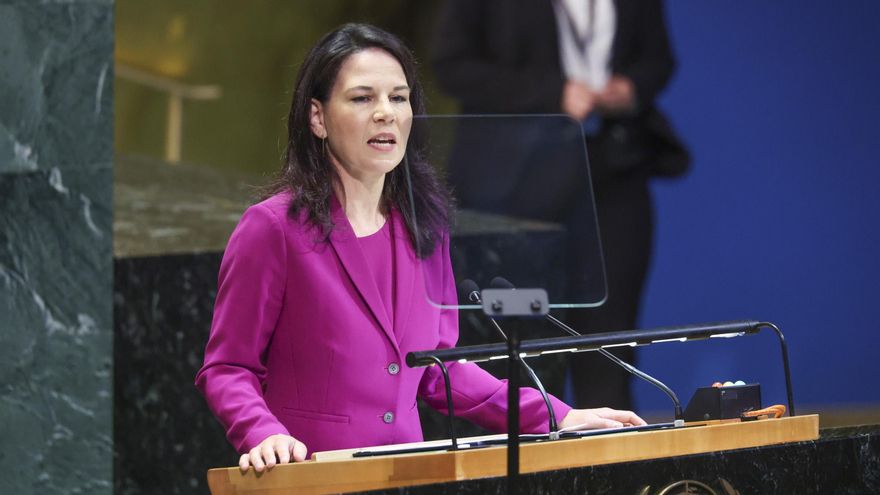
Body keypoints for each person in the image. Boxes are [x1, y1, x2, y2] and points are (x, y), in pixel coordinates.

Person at [195, 23, 645, 473]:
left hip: (410, 476)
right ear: (317, 117)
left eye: (398, 97)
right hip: (313, 473)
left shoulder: (424, 226)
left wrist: (557, 415)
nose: (386, 113)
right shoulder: (274, 228)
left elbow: (439, 368)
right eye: (362, 98)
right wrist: (263, 432)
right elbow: (228, 367)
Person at [431, 0, 688, 411]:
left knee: (610, 341)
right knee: (514, 341)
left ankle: (607, 467)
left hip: (612, 167)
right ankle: (520, 462)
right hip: (516, 182)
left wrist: (631, 88)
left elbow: (659, 59)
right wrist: (552, 92)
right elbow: (452, 65)